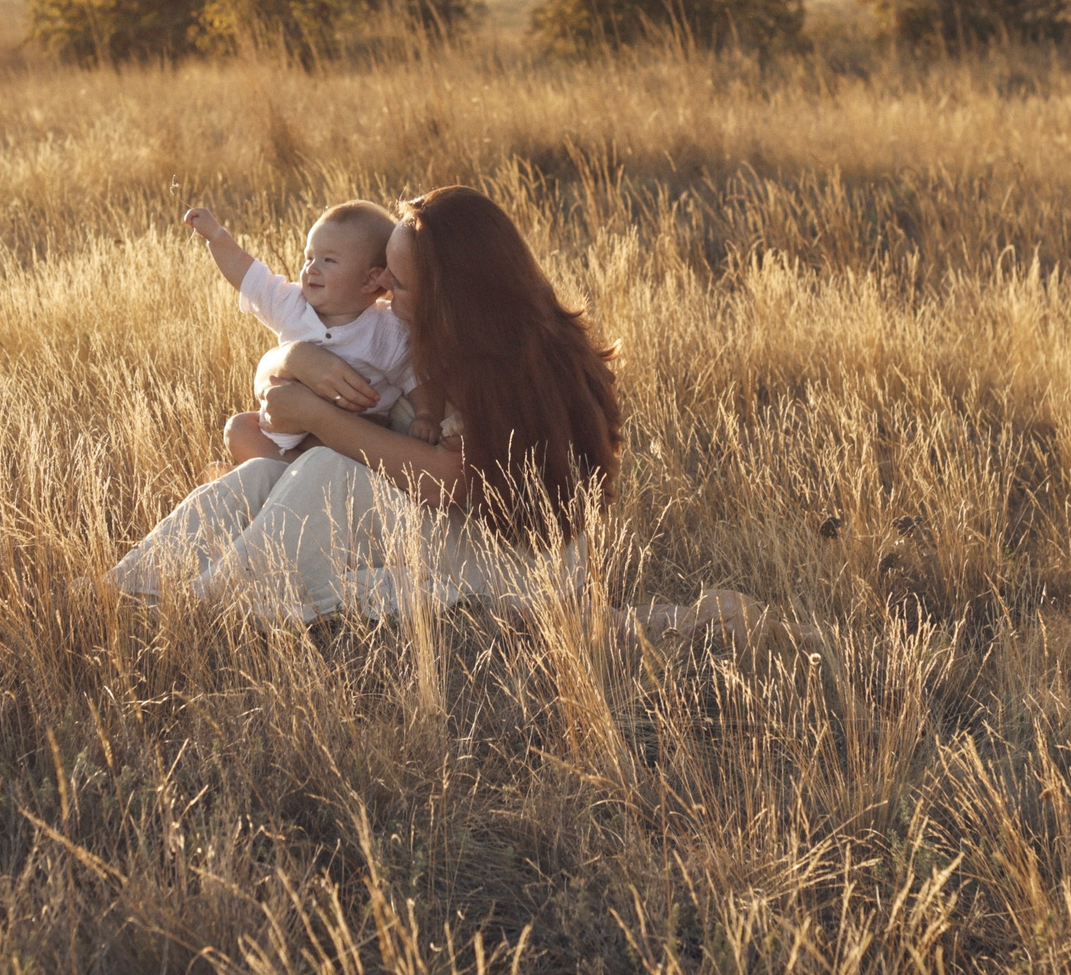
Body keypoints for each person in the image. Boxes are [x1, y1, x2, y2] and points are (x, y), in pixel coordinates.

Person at [109, 185, 761, 642]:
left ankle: (210, 604)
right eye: (384, 274)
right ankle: (130, 585)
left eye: (399, 281)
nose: (382, 292)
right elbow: (292, 371)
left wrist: (311, 407)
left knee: (328, 474)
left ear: (454, 294)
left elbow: (449, 481)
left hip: (501, 555)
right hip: (438, 523)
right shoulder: (420, 335)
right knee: (259, 479)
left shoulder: (504, 361)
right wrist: (294, 367)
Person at [183, 199, 445, 466]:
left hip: (353, 436)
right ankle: (280, 472)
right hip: (286, 432)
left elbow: (416, 376)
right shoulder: (292, 303)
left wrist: (426, 415)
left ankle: (281, 476)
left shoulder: (387, 329)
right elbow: (248, 275)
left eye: (328, 260)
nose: (311, 268)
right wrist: (216, 236)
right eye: (309, 257)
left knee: (342, 452)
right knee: (238, 428)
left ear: (369, 280)